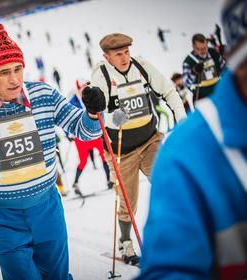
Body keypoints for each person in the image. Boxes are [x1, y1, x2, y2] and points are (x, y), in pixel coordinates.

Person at [0, 23, 106, 279]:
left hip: (47, 208)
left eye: (18, 69)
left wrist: (93, 113)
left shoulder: (44, 95)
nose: (15, 79)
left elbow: (85, 130)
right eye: (4, 72)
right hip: (4, 217)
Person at [138, 0, 247, 278]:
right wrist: (195, 79)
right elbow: (186, 84)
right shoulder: (186, 154)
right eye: (198, 48)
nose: (202, 51)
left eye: (203, 48)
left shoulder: (212, 52)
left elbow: (220, 63)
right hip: (207, 103)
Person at [90, 33, 186, 265]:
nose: (124, 58)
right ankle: (126, 243)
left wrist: (182, 120)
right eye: (117, 54)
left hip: (150, 140)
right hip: (122, 150)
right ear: (107, 56)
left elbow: (169, 91)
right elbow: (98, 115)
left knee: (169, 184)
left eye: (126, 52)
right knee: (128, 200)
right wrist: (114, 116)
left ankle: (180, 235)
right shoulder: (101, 74)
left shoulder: (141, 66)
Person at [69, 80, 114, 195]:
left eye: (85, 87)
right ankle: (75, 183)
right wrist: (68, 134)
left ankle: (109, 180)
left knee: (104, 155)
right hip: (81, 137)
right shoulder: (73, 102)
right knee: (83, 160)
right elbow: (67, 118)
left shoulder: (92, 97)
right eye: (81, 88)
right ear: (77, 90)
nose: (84, 90)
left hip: (96, 135)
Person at [182, 33, 226, 102]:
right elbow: (186, 82)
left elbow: (225, 69)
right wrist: (194, 72)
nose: (202, 51)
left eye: (204, 48)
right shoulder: (189, 61)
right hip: (202, 98)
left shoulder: (214, 53)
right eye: (199, 49)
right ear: (193, 47)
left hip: (219, 92)